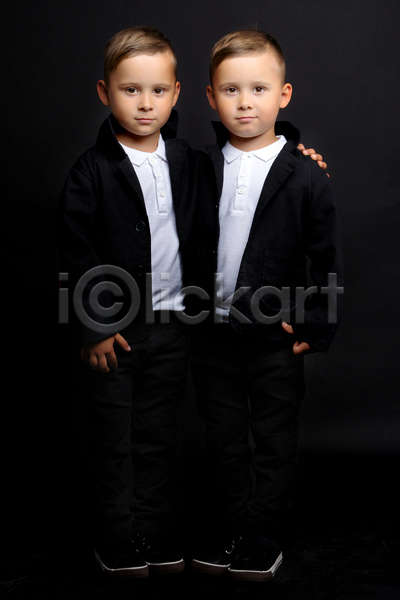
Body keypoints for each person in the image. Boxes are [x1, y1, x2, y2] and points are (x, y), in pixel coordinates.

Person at [189, 29, 343, 582]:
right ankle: (233, 525)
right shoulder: (198, 168)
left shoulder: (304, 172)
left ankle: (263, 533)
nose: (245, 102)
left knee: (274, 438)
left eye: (259, 88)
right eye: (230, 90)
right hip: (213, 333)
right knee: (223, 437)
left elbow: (325, 255)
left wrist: (315, 324)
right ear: (211, 97)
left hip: (274, 335)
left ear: (284, 95)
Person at [57, 25, 210, 578]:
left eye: (158, 90)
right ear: (105, 92)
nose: (145, 103)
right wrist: (95, 326)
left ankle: (152, 530)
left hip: (171, 327)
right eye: (130, 90)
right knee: (112, 437)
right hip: (115, 333)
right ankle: (116, 536)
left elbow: (251, 157)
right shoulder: (91, 170)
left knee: (157, 435)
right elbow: (76, 252)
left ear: (176, 93)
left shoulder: (190, 162)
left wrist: (295, 145)